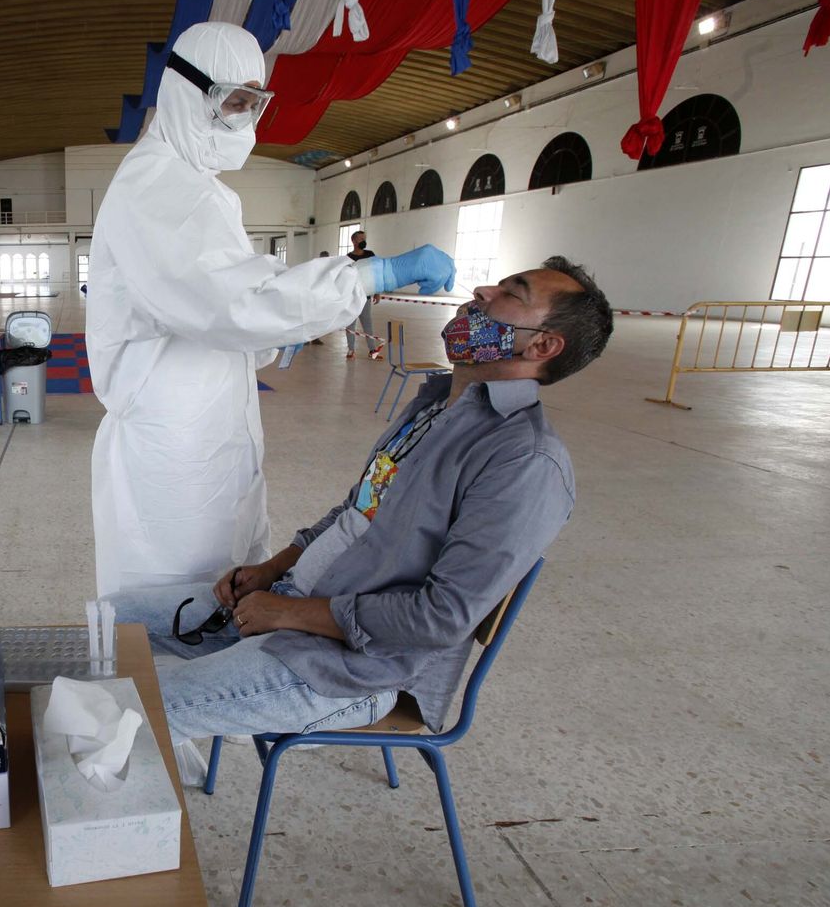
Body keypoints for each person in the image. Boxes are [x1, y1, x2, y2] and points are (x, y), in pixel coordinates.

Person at [105, 258, 613, 774]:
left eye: (512, 292)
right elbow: (356, 510)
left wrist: (285, 614)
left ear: (542, 344)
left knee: (121, 710)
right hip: (288, 602)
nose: (483, 290)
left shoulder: (524, 462)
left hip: (352, 669)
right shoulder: (437, 406)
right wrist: (272, 571)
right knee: (106, 625)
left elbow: (440, 617)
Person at [87, 21, 456, 598]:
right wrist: (367, 274)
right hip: (172, 439)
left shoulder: (194, 186)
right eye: (233, 102)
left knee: (219, 582)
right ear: (188, 92)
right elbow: (233, 302)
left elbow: (224, 303)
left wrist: (269, 329)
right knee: (175, 598)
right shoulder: (160, 187)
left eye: (254, 104)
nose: (245, 121)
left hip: (204, 423)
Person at [345, 230, 384, 361]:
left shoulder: (370, 255)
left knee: (367, 323)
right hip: (352, 297)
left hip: (366, 296)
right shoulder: (348, 258)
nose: (364, 241)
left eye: (364, 238)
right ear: (354, 241)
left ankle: (372, 350)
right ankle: (351, 350)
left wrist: (377, 292)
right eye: (361, 238)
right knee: (350, 323)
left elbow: (376, 273)